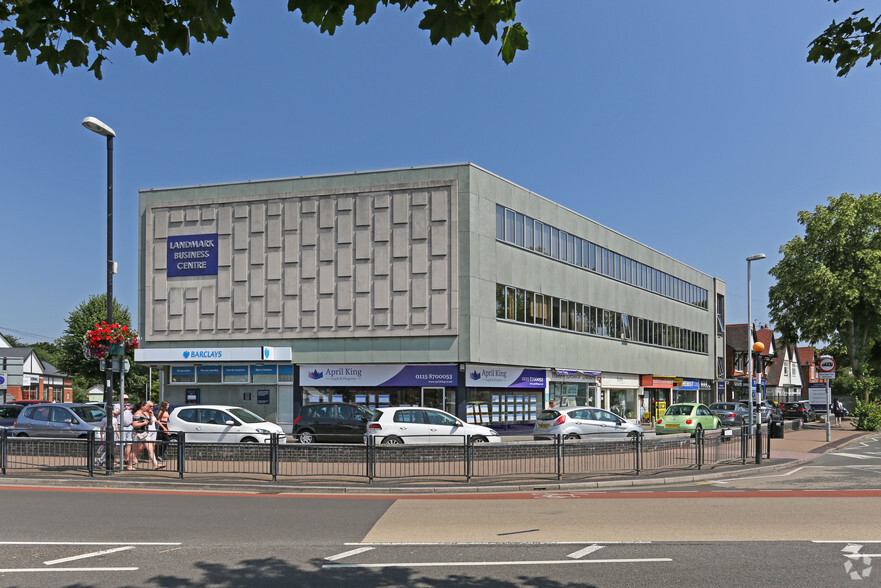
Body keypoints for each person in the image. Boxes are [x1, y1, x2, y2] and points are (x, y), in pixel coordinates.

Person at [132, 402, 164, 470]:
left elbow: (150, 423)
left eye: (152, 406)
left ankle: (155, 464)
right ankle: (129, 465)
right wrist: (144, 423)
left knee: (150, 449)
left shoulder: (145, 413)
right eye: (148, 406)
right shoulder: (137, 414)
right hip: (138, 433)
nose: (150, 407)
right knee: (135, 450)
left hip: (145, 433)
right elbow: (134, 425)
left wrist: (151, 416)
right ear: (142, 407)